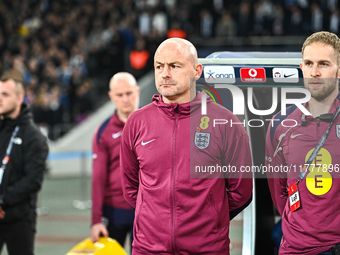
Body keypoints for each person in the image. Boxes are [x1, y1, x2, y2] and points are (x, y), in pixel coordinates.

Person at [120, 38, 253, 254]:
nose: (165, 73)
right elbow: (130, 188)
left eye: (174, 66)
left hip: (206, 249)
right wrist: (158, 221)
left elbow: (241, 192)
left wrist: (208, 219)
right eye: (159, 66)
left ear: (196, 71)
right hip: (148, 249)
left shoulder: (225, 122)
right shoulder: (136, 122)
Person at [266, 31, 340, 255]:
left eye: (324, 64)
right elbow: (278, 192)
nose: (315, 72)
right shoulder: (280, 124)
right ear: (301, 67)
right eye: (309, 63)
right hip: (296, 248)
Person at [0, 72, 49, 255]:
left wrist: (2, 200)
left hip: (19, 218)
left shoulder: (33, 137)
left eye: (5, 95)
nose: (0, 99)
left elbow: (32, 181)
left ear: (20, 98)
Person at [90, 72, 140, 248]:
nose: (125, 99)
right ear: (111, 97)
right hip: (113, 211)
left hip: (144, 210)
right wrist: (96, 220)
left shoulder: (152, 124)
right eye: (119, 95)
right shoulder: (103, 132)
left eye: (129, 93)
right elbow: (98, 178)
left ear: (138, 92)